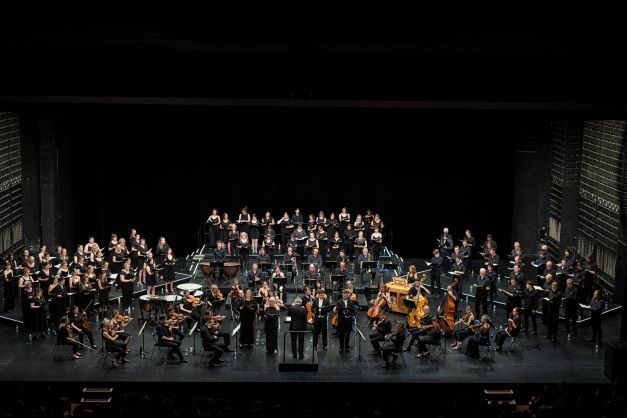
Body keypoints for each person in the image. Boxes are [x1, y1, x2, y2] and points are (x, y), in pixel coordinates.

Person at [335, 289, 356, 353]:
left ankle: (347, 346)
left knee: (347, 334)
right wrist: (344, 311)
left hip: (349, 320)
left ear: (348, 294)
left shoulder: (351, 302)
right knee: (341, 334)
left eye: (346, 293)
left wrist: (349, 310)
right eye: (344, 293)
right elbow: (338, 310)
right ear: (342, 294)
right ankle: (341, 347)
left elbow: (353, 310)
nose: (345, 295)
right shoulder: (338, 302)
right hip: (342, 320)